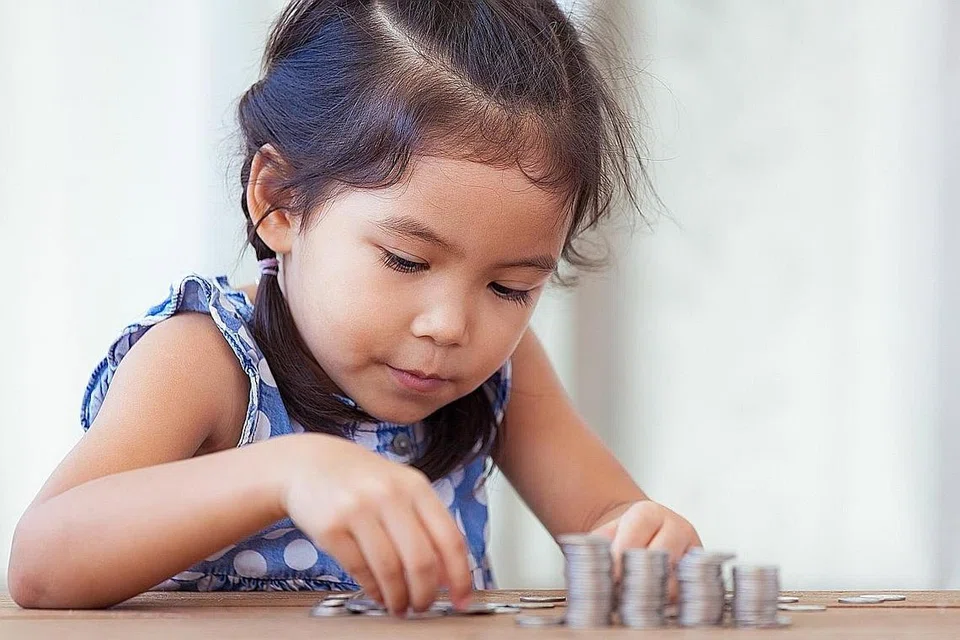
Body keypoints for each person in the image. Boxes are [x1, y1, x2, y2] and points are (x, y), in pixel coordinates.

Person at [8, 0, 701, 614]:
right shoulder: (208, 360)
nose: (450, 326)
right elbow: (40, 566)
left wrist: (643, 537)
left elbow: (608, 516)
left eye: (509, 287)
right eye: (406, 261)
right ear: (280, 203)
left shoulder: (503, 368)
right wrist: (286, 470)